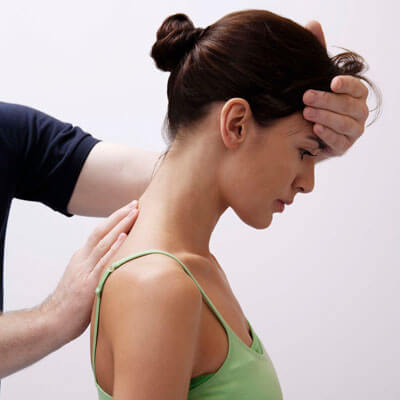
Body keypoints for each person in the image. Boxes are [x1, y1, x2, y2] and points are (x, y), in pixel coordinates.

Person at [0, 14, 371, 387]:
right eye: (306, 156)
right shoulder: (158, 287)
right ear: (237, 123)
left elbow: (181, 174)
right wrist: (51, 319)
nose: (308, 184)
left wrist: (299, 108)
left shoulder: (194, 269)